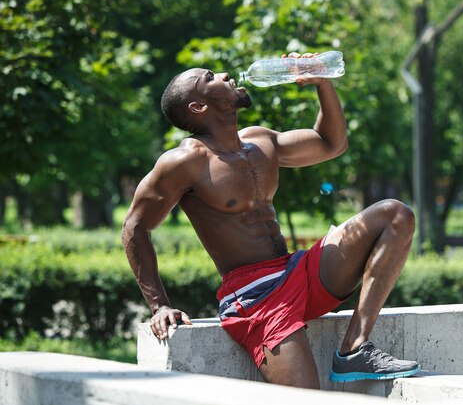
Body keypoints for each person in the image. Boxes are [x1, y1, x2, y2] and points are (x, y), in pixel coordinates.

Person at [122, 52, 420, 389]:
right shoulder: (183, 162)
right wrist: (159, 305)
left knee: (395, 214)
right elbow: (135, 227)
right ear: (198, 107)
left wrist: (321, 82)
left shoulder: (260, 141)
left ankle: (353, 348)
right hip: (255, 298)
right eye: (210, 77)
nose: (224, 73)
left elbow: (330, 143)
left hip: (298, 271)